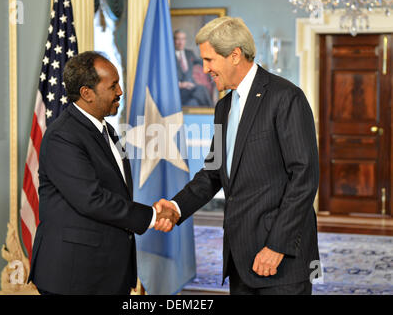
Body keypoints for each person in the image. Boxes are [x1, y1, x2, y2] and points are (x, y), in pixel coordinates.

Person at [155, 17, 320, 295]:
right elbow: (213, 172)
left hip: (280, 258)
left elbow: (304, 178)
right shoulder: (224, 106)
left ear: (234, 55)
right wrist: (176, 207)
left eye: (209, 60)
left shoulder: (286, 97)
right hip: (239, 259)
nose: (205, 68)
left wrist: (277, 245)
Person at [27, 51, 179, 295]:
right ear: (87, 93)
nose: (120, 91)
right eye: (113, 86)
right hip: (73, 276)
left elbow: (115, 188)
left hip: (106, 271)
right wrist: (151, 216)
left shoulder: (107, 129)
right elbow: (91, 199)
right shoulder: (63, 136)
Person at [174, 29, 214, 107]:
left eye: (182, 39)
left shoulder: (189, 53)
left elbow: (201, 62)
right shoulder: (168, 56)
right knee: (201, 89)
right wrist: (181, 84)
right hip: (178, 90)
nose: (180, 42)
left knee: (198, 95)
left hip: (191, 88)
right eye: (178, 39)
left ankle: (211, 110)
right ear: (174, 40)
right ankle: (212, 110)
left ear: (185, 40)